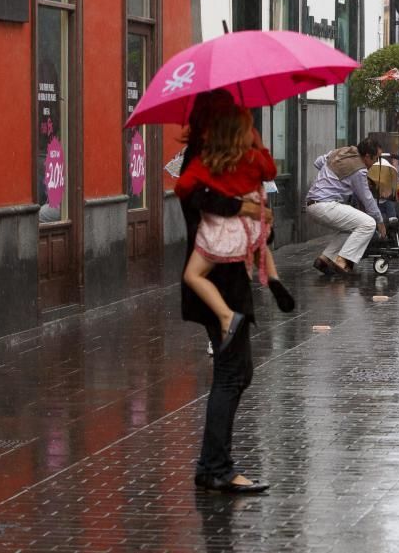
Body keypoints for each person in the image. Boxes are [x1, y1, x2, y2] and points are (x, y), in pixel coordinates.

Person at [178, 89, 271, 494]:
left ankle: (211, 464)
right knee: (231, 375)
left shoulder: (217, 161)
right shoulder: (204, 167)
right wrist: (242, 207)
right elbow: (199, 198)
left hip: (228, 281)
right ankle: (216, 467)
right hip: (220, 284)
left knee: (238, 373)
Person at [176, 102, 294, 355]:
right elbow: (270, 170)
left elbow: (183, 188)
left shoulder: (207, 160)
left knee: (193, 275)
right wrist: (259, 145)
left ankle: (226, 317)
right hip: (250, 225)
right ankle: (273, 278)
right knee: (259, 244)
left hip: (218, 233)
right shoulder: (251, 157)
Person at [306, 137, 387, 274]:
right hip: (326, 205)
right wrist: (380, 221)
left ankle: (325, 259)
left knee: (351, 228)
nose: (376, 163)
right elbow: (367, 200)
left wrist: (332, 177)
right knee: (368, 224)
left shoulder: (342, 152)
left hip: (311, 204)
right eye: (376, 159)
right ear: (367, 156)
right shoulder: (359, 170)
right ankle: (343, 260)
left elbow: (318, 162)